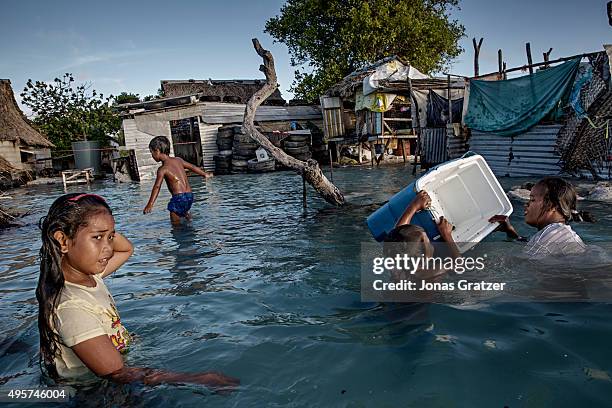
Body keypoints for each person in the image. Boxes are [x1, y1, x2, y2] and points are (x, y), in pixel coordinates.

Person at [37, 193, 239, 389]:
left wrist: (103, 229)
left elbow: (126, 249)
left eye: (111, 237)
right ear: (63, 241)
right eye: (97, 237)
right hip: (92, 391)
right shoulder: (71, 307)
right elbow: (116, 373)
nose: (108, 248)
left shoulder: (90, 277)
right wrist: (196, 378)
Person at [489, 177, 590, 257]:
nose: (526, 204)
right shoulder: (557, 233)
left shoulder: (551, 235)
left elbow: (521, 264)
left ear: (552, 206)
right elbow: (531, 245)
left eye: (532, 200)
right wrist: (510, 231)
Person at [143, 136, 213, 224]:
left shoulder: (162, 169)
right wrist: (205, 174)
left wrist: (150, 204)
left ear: (157, 151)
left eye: (151, 152)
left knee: (176, 226)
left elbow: (157, 187)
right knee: (185, 213)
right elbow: (192, 167)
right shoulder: (178, 160)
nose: (152, 155)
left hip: (178, 198)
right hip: (189, 196)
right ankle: (188, 219)